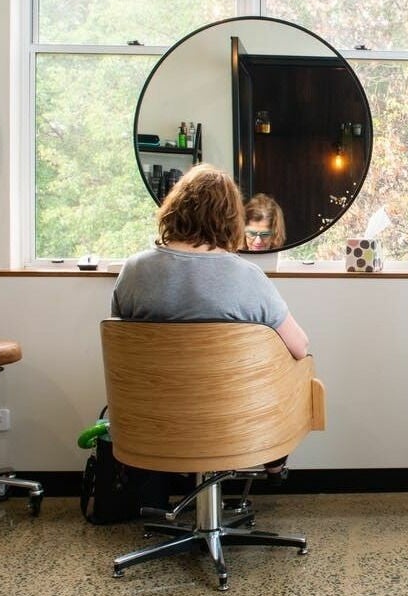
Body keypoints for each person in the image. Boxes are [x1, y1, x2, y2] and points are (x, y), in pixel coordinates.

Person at [112, 164, 309, 481]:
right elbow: (300, 347)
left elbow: (123, 347)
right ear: (231, 219)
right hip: (234, 425)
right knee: (299, 368)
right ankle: (275, 466)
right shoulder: (247, 276)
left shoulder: (134, 270)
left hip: (152, 425)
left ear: (174, 210)